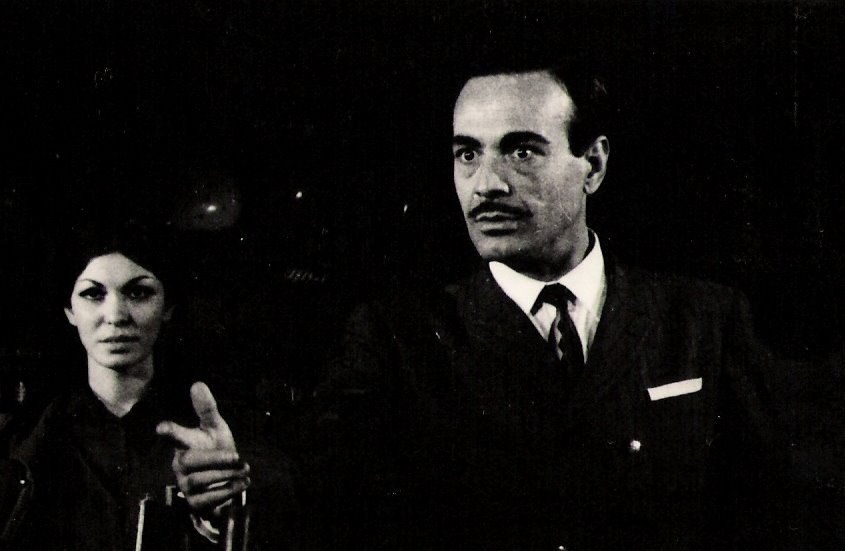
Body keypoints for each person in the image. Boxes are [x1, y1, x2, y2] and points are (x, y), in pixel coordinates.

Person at [162, 61, 796, 550]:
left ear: (594, 165)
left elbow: (769, 516)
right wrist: (233, 485)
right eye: (468, 153)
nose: (486, 184)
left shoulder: (706, 320)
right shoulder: (396, 336)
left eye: (521, 151)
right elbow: (319, 490)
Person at [4, 223, 248, 550]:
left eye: (139, 293)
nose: (116, 315)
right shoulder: (26, 440)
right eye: (93, 294)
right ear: (69, 310)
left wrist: (226, 517)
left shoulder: (212, 437)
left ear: (168, 307)